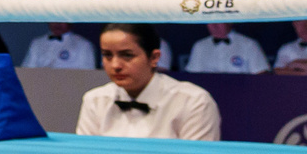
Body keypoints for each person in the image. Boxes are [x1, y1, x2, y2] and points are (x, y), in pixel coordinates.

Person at [75, 23, 220, 140]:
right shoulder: (94, 100)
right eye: (107, 55)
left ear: (154, 58)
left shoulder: (194, 102)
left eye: (127, 55)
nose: (115, 65)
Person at [181, 20, 270, 74]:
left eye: (218, 22)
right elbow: (193, 75)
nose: (213, 25)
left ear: (229, 22)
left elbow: (261, 73)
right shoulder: (200, 46)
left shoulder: (248, 44)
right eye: (210, 22)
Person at [21, 23, 101, 70]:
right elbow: (27, 69)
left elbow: (88, 74)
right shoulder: (37, 43)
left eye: (61, 19)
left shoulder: (84, 45)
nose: (57, 23)